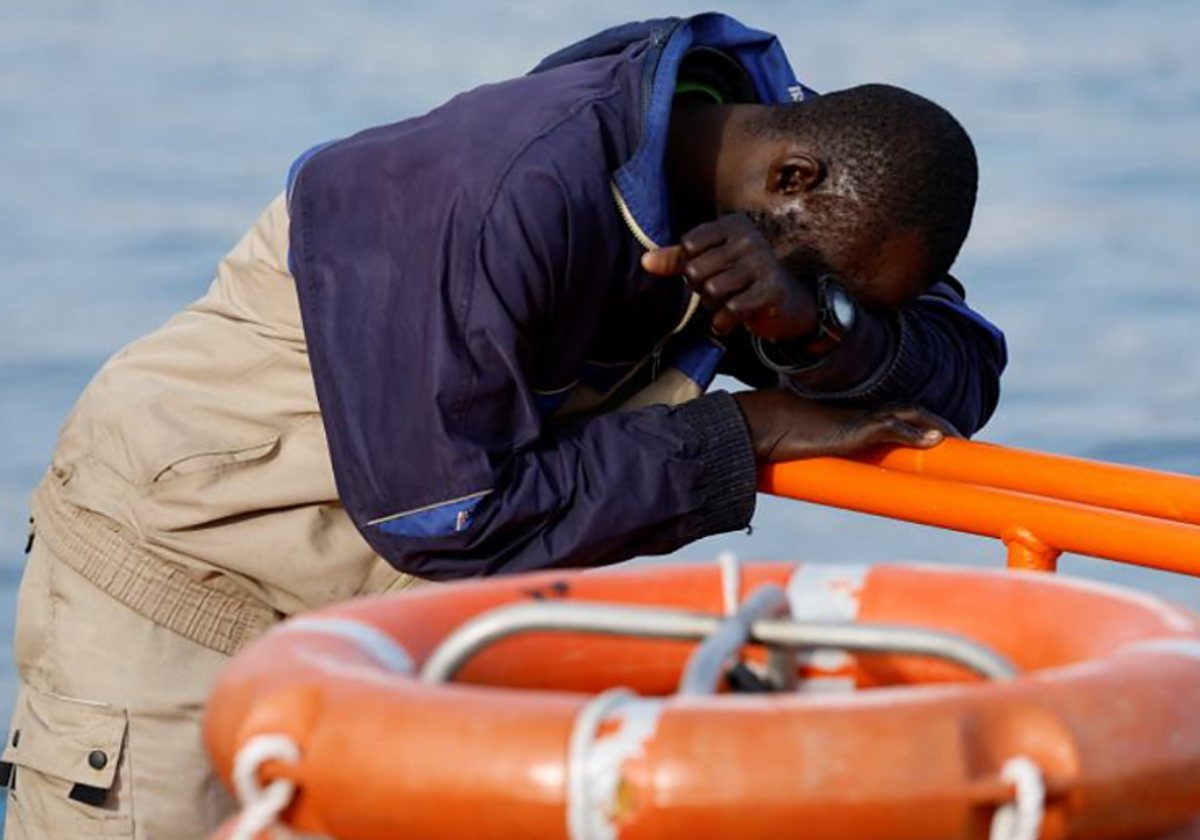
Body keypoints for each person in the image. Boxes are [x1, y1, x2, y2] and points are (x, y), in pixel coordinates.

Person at [1, 12, 1006, 839]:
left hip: (376, 623)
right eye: (825, 282)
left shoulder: (772, 154)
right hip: (177, 589)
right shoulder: (500, 192)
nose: (811, 298)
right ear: (792, 182)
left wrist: (814, 329)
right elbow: (449, 517)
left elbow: (964, 370)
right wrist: (747, 437)